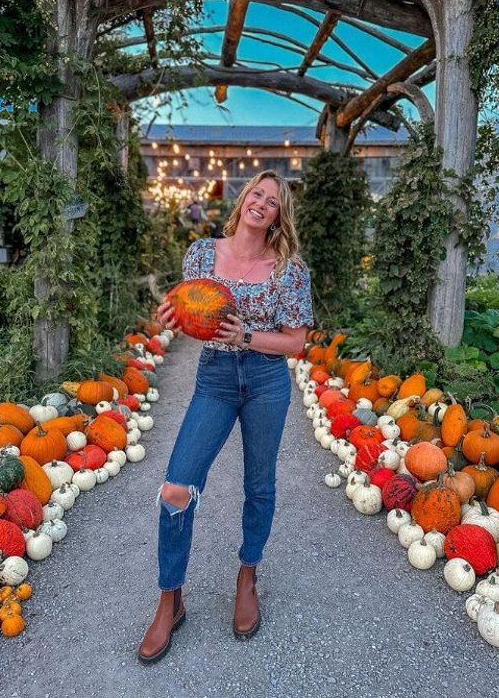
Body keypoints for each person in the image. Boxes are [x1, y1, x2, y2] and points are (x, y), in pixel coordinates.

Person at [138, 170, 313, 663]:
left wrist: (246, 338)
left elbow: (297, 343)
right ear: (243, 201)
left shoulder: (288, 269)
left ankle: (247, 574)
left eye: (273, 201)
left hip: (265, 381)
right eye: (256, 193)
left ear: (279, 217)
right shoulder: (201, 254)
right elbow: (191, 314)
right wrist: (170, 318)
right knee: (177, 485)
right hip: (215, 377)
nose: (261, 203)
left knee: (259, 485)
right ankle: (170, 598)